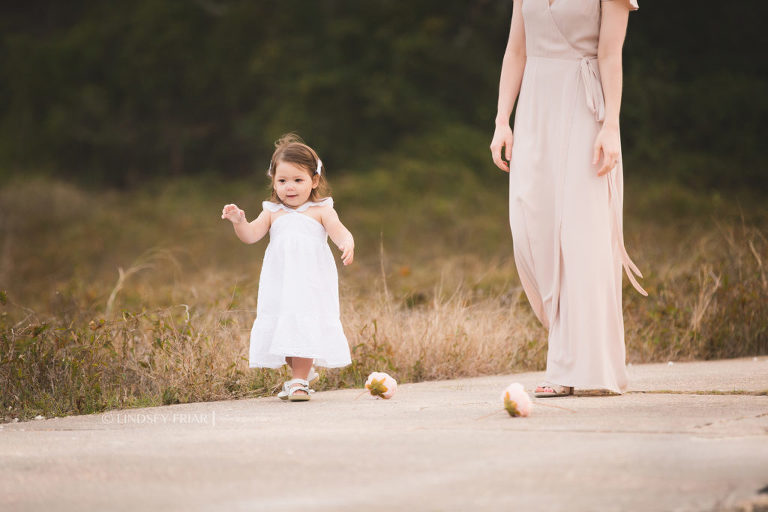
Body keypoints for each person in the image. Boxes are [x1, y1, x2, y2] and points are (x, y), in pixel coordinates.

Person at [490, 0, 647, 397]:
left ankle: (575, 365)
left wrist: (610, 125)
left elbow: (611, 54)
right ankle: (571, 349)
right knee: (530, 229)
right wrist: (501, 121)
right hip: (535, 111)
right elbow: (516, 50)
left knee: (580, 234)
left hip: (583, 105)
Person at [221, 134, 354, 402]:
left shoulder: (320, 211)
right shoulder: (272, 212)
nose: (289, 187)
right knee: (286, 327)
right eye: (282, 181)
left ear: (314, 181)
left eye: (297, 180)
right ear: (273, 181)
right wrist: (239, 221)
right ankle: (300, 376)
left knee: (303, 321)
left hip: (310, 281)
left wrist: (347, 243)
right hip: (280, 283)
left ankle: (299, 381)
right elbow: (250, 236)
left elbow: (340, 232)